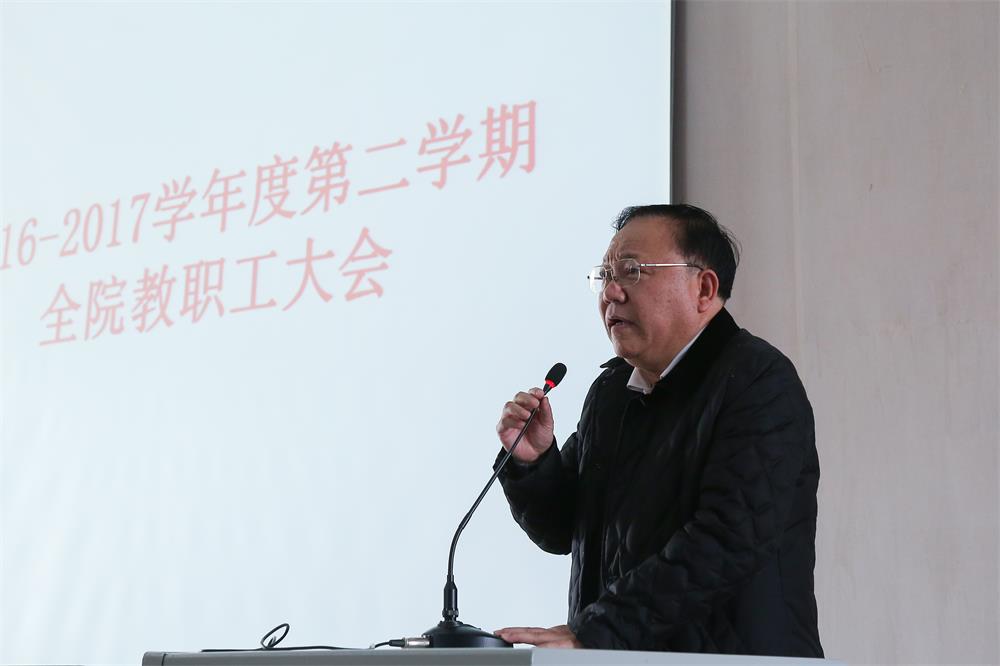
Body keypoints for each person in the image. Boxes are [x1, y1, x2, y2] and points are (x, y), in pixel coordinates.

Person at [492, 204, 823, 657]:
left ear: (704, 288)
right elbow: (561, 530)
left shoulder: (757, 382)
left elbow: (727, 541)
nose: (611, 292)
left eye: (632, 271)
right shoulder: (612, 393)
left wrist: (599, 631)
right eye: (605, 275)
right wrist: (534, 463)